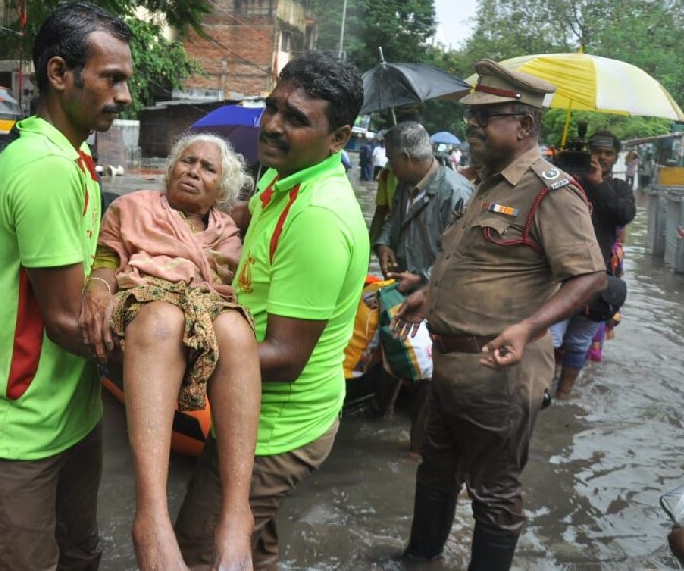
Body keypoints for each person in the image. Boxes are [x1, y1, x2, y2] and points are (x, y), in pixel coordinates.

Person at [392, 59, 606, 570]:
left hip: (499, 376)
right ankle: (420, 559)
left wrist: (530, 327)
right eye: (472, 118)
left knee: (495, 493)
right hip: (447, 369)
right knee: (435, 472)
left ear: (524, 125)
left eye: (485, 118)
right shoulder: (488, 184)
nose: (472, 128)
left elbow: (590, 275)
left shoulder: (549, 191)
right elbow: (470, 262)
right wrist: (428, 296)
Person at [174, 51, 369, 568]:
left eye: (298, 118)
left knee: (196, 550)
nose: (274, 126)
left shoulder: (319, 217)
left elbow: (285, 357)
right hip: (250, 407)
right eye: (273, 107)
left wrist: (173, 352)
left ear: (339, 138)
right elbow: (241, 221)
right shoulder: (280, 176)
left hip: (275, 429)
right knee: (255, 544)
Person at [0, 1, 133, 569]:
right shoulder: (45, 168)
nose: (125, 95)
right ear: (60, 74)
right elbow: (64, 323)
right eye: (113, 78)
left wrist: (109, 280)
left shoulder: (74, 157)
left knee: (81, 552)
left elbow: (90, 273)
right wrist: (177, 359)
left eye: (125, 80)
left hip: (75, 412)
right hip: (23, 427)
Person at [80, 133, 259, 570]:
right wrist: (100, 288)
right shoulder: (133, 207)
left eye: (208, 168)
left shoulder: (226, 230)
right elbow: (106, 258)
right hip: (148, 304)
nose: (194, 172)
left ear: (222, 189)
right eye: (187, 161)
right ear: (171, 168)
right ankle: (152, 517)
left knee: (236, 332)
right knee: (163, 319)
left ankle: (237, 515)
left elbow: (227, 286)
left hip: (206, 302)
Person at [373, 121, 473, 456]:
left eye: (391, 159)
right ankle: (378, 414)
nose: (388, 166)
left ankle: (418, 448)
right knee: (392, 351)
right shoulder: (406, 183)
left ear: (405, 157)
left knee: (430, 375)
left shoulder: (456, 192)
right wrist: (385, 244)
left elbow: (462, 252)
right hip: (404, 285)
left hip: (438, 295)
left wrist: (424, 278)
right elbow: (392, 221)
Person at [550, 130, 636, 398]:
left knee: (578, 343)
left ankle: (564, 395)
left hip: (597, 277)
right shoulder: (568, 180)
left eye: (608, 153)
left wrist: (598, 182)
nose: (601, 157)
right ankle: (540, 392)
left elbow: (624, 214)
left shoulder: (619, 188)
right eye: (596, 151)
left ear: (616, 157)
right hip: (559, 274)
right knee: (548, 338)